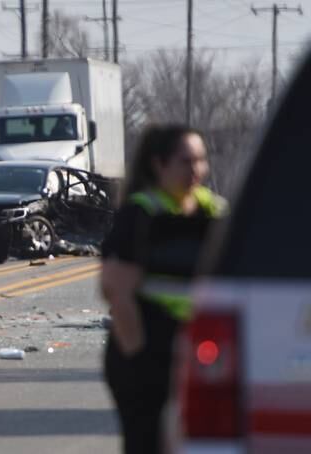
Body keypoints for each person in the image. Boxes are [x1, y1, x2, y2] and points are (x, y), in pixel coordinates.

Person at [100, 124, 226, 454]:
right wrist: (140, 359)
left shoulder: (212, 211)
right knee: (147, 443)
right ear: (159, 164)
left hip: (193, 352)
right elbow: (116, 290)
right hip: (146, 352)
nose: (196, 170)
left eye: (200, 160)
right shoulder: (141, 213)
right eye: (185, 161)